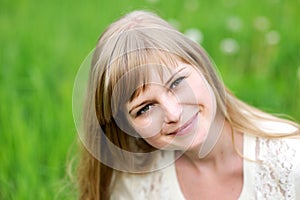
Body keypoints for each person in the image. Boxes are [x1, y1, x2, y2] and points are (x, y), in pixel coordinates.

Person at [75, 10, 300, 199]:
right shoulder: (134, 184)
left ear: (202, 66)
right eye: (145, 108)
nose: (173, 113)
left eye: (177, 82)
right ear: (127, 125)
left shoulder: (290, 162)